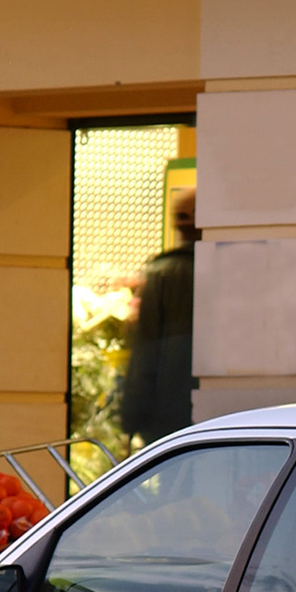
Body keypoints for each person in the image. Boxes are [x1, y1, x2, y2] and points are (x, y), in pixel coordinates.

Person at [121, 187, 200, 446]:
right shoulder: (229, 267)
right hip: (221, 413)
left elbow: (146, 350)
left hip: (167, 415)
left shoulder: (162, 273)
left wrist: (131, 415)